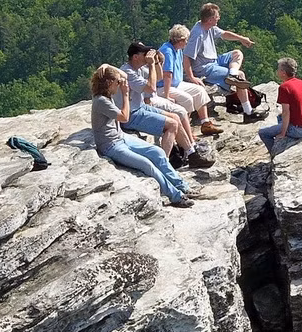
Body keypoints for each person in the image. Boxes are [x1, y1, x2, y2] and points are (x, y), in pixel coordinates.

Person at [90, 64, 198, 208]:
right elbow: (124, 117)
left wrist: (106, 66)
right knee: (147, 164)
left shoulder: (106, 95)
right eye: (117, 82)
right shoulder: (101, 101)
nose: (121, 84)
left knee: (158, 152)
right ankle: (176, 197)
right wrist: (125, 94)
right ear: (109, 83)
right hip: (110, 145)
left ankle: (183, 186)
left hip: (121, 137)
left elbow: (124, 76)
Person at [118, 42, 214, 169]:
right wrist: (151, 64)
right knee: (172, 125)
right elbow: (150, 88)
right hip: (131, 114)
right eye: (144, 53)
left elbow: (158, 77)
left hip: (139, 107)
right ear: (135, 57)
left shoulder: (138, 69)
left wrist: (157, 62)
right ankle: (164, 164)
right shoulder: (128, 72)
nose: (147, 55)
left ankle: (191, 154)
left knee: (175, 117)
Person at [183, 3, 267, 124]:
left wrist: (241, 38)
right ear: (210, 19)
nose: (219, 18)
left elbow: (224, 34)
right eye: (217, 16)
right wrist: (191, 77)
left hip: (215, 61)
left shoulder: (208, 27)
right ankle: (248, 113)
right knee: (241, 76)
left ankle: (231, 75)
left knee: (237, 53)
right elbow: (187, 57)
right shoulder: (198, 34)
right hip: (205, 68)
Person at [156, 24, 222, 136]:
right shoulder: (167, 51)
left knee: (199, 90)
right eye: (186, 40)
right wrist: (167, 97)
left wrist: (192, 77)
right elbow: (167, 75)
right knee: (187, 99)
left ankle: (205, 124)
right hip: (163, 87)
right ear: (180, 40)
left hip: (175, 84)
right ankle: (185, 131)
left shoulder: (177, 50)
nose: (187, 42)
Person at [258, 58, 302, 154]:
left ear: (283, 73)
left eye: (278, 69)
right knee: (279, 117)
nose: (277, 71)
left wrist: (282, 133)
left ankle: (275, 153)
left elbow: (286, 112)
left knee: (263, 133)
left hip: (300, 130)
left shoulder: (284, 87)